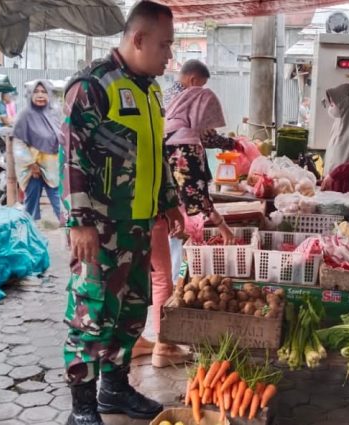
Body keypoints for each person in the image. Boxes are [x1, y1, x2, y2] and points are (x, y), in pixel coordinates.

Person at [60, 2, 182, 424]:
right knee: (91, 314)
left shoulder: (150, 90)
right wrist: (79, 222)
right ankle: (82, 409)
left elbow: (155, 152)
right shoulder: (94, 86)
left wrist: (169, 199)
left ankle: (114, 390)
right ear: (139, 39)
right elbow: (71, 155)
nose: (169, 55)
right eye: (164, 45)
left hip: (138, 225)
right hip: (100, 228)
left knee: (130, 310)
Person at [138, 59, 236, 368]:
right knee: (162, 279)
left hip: (135, 210)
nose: (207, 125)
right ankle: (164, 346)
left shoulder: (166, 117)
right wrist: (222, 226)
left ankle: (135, 340)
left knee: (137, 278)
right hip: (159, 215)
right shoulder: (185, 143)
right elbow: (195, 194)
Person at [13, 80, 64, 225]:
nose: (40, 95)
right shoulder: (25, 115)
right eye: (36, 92)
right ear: (30, 94)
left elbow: (62, 135)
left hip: (52, 165)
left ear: (49, 95)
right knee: (31, 202)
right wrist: (31, 164)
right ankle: (29, 230)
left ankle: (68, 227)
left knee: (59, 199)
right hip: (32, 168)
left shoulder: (54, 113)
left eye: (43, 92)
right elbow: (19, 143)